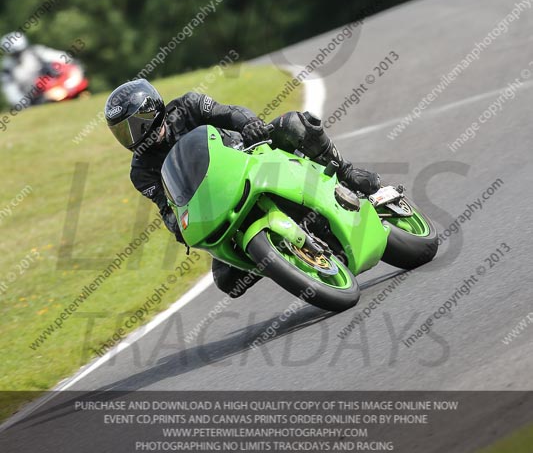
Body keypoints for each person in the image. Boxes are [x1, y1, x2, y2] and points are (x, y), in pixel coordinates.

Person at [104, 79, 381, 298]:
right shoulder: (141, 171)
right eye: (123, 132)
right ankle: (279, 257)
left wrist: (249, 125)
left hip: (250, 157)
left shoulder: (188, 105)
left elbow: (230, 113)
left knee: (296, 123)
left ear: (152, 109)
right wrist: (179, 227)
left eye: (135, 124)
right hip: (219, 203)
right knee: (226, 281)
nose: (133, 135)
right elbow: (167, 208)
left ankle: (346, 172)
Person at [0, 32, 67, 108]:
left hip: (55, 85)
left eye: (19, 52)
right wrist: (24, 104)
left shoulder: (35, 52)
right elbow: (10, 90)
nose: (18, 56)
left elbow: (60, 57)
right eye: (14, 54)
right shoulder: (8, 68)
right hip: (35, 99)